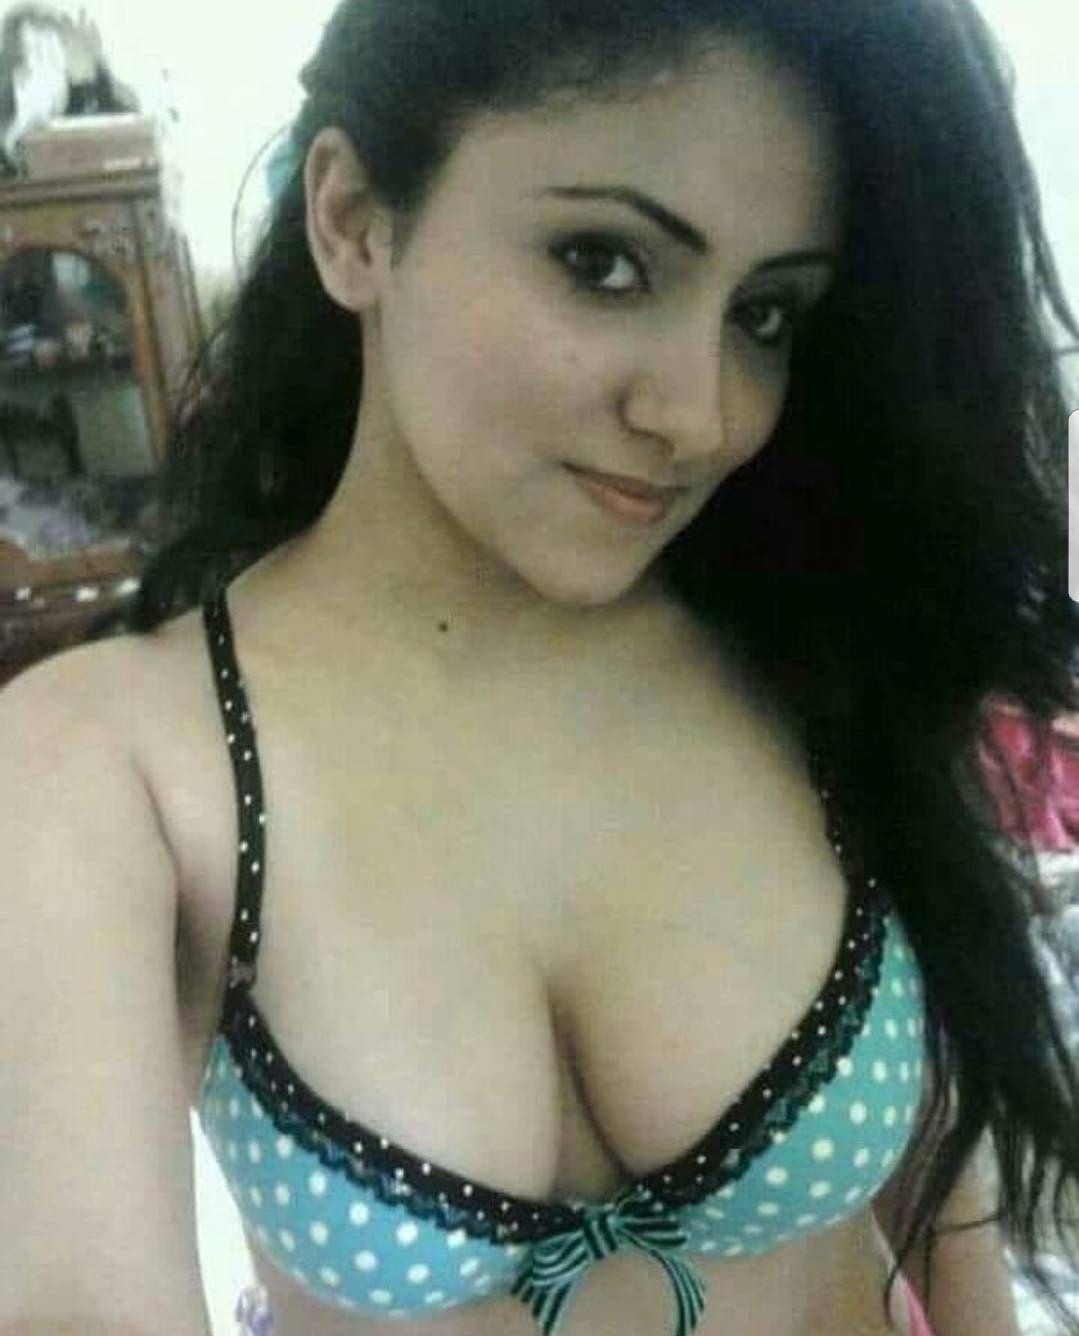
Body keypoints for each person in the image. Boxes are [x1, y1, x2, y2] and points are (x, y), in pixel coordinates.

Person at [3, 0, 1078, 1333]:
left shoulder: (809, 640)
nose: (699, 414)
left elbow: (943, 1166)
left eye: (765, 314)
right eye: (604, 263)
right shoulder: (114, 771)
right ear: (353, 222)